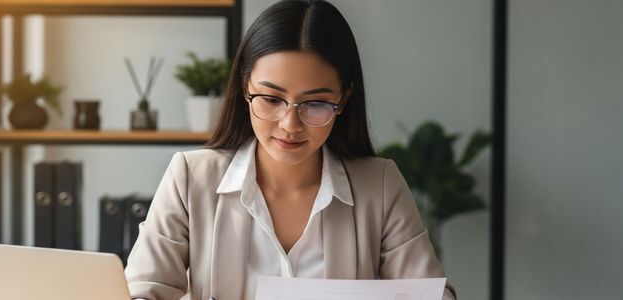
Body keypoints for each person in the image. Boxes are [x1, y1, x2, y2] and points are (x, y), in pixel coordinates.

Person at [124, 1, 457, 299]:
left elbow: (430, 294)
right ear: (245, 89)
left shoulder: (380, 186)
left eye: (315, 103)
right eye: (271, 99)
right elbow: (143, 291)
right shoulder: (189, 177)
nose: (290, 124)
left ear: (344, 100)